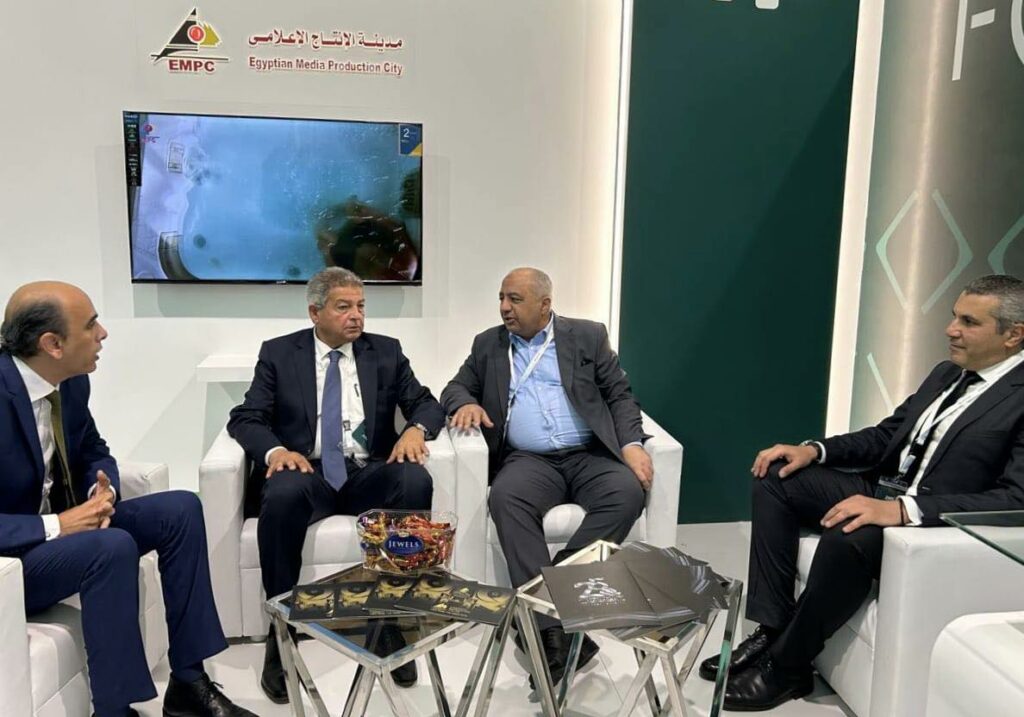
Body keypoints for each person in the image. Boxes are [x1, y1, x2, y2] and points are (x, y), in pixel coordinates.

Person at [699, 274, 1024, 711]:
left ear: (1013, 335)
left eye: (969, 322)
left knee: (848, 534)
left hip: (930, 520)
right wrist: (815, 449)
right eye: (954, 317)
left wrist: (905, 510)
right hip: (883, 487)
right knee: (776, 475)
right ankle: (773, 630)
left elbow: (1016, 499)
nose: (951, 329)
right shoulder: (947, 373)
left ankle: (789, 667)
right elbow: (888, 435)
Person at [0, 281, 253, 717]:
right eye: (90, 325)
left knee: (180, 508)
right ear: (52, 344)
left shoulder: (70, 384)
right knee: (111, 545)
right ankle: (114, 710)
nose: (103, 334)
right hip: (13, 559)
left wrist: (103, 492)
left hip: (62, 534)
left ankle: (189, 682)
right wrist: (60, 524)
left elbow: (93, 449)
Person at [227, 267, 445, 702]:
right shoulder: (279, 353)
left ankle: (393, 622)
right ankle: (281, 633)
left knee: (414, 479)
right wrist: (276, 452)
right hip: (308, 471)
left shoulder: (385, 351)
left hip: (366, 471)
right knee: (282, 491)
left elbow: (425, 403)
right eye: (343, 307)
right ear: (315, 312)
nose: (356, 316)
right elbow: (246, 417)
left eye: (361, 306)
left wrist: (416, 429)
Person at [440, 267, 653, 686]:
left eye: (515, 299)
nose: (504, 308)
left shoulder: (588, 336)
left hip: (589, 454)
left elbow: (620, 395)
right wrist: (465, 403)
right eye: (501, 298)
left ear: (545, 305)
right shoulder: (489, 344)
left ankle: (544, 606)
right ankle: (554, 631)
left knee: (627, 492)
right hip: (529, 460)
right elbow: (453, 387)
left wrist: (631, 443)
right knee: (506, 499)